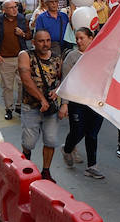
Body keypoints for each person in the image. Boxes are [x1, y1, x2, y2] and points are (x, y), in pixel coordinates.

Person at [17, 29, 67, 180]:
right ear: (33, 42)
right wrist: (41, 99)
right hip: (30, 106)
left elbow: (63, 80)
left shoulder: (57, 58)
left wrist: (58, 92)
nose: (45, 44)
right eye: (41, 41)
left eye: (48, 40)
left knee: (50, 140)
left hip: (51, 109)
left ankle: (46, 172)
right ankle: (26, 165)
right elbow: (26, 80)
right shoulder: (25, 55)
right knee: (29, 143)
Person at [61, 27, 105, 180]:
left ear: (91, 38)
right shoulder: (72, 57)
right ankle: (67, 149)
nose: (79, 41)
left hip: (96, 102)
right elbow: (65, 81)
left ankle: (92, 167)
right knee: (77, 132)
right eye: (77, 39)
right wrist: (64, 104)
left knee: (92, 135)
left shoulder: (100, 55)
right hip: (77, 102)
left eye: (82, 38)